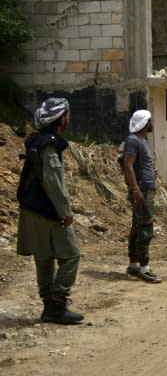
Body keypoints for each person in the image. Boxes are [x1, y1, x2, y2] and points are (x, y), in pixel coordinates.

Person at [16, 98, 84, 324]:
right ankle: (57, 303)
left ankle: (48, 306)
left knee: (43, 257)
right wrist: (65, 211)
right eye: (67, 114)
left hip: (30, 207)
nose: (68, 118)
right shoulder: (51, 144)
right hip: (48, 209)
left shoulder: (36, 140)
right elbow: (53, 180)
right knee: (72, 254)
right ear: (60, 117)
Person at [123, 109, 162, 283]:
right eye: (150, 121)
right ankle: (144, 268)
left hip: (145, 189)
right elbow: (127, 165)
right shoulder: (133, 140)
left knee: (137, 228)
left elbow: (136, 165)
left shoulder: (141, 141)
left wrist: (150, 174)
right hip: (142, 191)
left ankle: (133, 266)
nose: (152, 123)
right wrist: (137, 190)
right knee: (145, 228)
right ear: (145, 123)